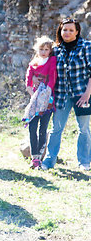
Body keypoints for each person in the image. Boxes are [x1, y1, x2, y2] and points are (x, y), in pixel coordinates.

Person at [41, 18, 91, 171]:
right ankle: (49, 161)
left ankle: (84, 162)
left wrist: (87, 94)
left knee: (83, 128)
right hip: (61, 95)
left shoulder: (86, 47)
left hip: (82, 94)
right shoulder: (56, 49)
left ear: (77, 32)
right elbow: (45, 69)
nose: (67, 33)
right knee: (56, 128)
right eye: (64, 30)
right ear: (60, 31)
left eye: (71, 30)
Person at [22, 36, 57, 168]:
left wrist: (46, 94)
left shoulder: (51, 61)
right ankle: (34, 157)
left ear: (50, 50)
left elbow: (53, 77)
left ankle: (40, 157)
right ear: (37, 49)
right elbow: (28, 81)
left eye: (46, 49)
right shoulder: (33, 63)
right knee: (32, 128)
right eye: (41, 49)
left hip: (47, 100)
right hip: (35, 100)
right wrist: (33, 95)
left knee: (43, 129)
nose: (43, 52)